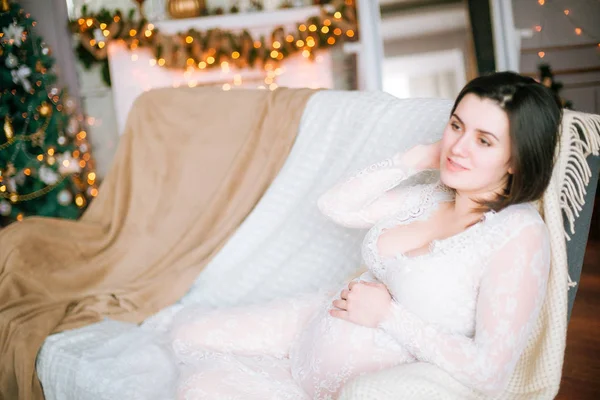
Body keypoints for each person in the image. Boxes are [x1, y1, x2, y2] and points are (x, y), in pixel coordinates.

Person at [169, 71, 562, 399]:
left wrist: (388, 316)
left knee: (203, 389)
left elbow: (489, 371)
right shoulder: (432, 194)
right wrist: (418, 157)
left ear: (516, 158)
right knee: (186, 334)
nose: (457, 147)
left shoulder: (518, 233)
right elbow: (336, 206)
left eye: (483, 140)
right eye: (456, 125)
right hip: (312, 323)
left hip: (365, 382)